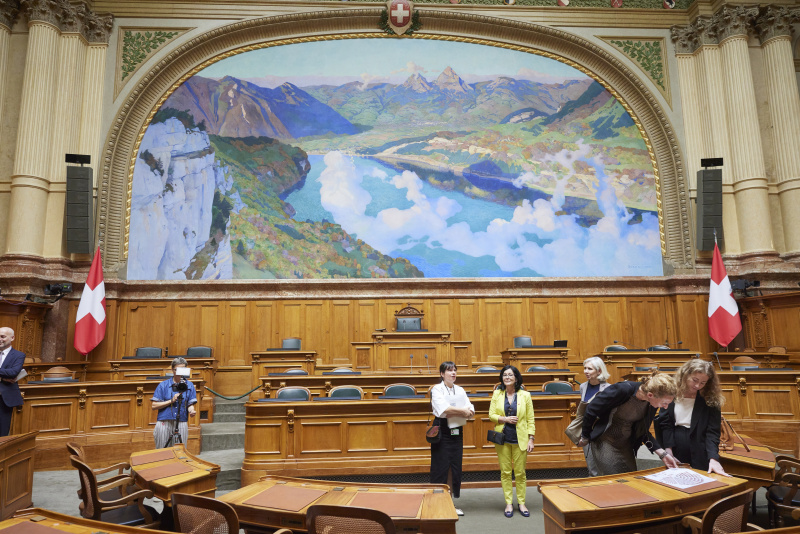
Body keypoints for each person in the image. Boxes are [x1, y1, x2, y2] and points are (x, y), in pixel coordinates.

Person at [577, 372, 679, 475]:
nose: (665, 407)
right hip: (604, 441)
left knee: (631, 477)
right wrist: (585, 435)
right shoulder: (623, 389)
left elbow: (642, 431)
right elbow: (592, 409)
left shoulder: (651, 404)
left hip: (625, 444)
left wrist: (663, 454)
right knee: (615, 480)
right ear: (650, 395)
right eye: (664, 403)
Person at [657, 359, 729, 475]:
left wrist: (713, 458)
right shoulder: (671, 392)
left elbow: (712, 432)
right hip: (676, 445)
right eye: (695, 380)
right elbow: (666, 424)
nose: (697, 385)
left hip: (701, 446)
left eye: (703, 382)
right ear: (685, 375)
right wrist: (668, 450)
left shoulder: (711, 399)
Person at [489, 365, 534, 518]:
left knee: (520, 473)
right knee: (506, 472)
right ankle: (509, 502)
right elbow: (491, 415)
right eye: (504, 375)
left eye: (510, 375)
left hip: (520, 439)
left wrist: (531, 438)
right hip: (503, 438)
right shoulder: (497, 393)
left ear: (516, 378)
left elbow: (530, 419)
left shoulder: (525, 395)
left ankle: (521, 502)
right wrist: (505, 419)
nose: (507, 377)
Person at [430, 361, 474, 517]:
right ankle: (436, 503)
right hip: (442, 430)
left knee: (454, 466)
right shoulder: (437, 389)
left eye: (455, 370)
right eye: (449, 371)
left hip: (456, 429)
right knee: (440, 466)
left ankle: (449, 502)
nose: (453, 373)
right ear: (442, 374)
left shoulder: (460, 390)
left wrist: (461, 412)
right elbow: (443, 410)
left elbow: (471, 409)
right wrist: (462, 411)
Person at [151, 357, 197, 448]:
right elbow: (154, 405)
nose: (180, 372)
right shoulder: (163, 385)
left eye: (183, 369)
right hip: (164, 421)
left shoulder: (190, 385)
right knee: (162, 451)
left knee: (180, 451)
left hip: (181, 422)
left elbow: (190, 404)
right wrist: (171, 401)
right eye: (177, 369)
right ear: (172, 370)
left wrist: (191, 410)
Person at [579, 356, 611, 476]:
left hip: (602, 431)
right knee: (591, 465)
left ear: (599, 371)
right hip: (587, 430)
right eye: (585, 368)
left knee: (604, 465)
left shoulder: (608, 389)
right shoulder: (583, 387)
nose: (586, 371)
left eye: (589, 369)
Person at [0, 327, 25, 437]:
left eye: (3, 336)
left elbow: (13, 372)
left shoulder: (19, 355)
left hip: (5, 397)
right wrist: (2, 377)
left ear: (12, 338)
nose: (0, 339)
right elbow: (7, 373)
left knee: (3, 430)